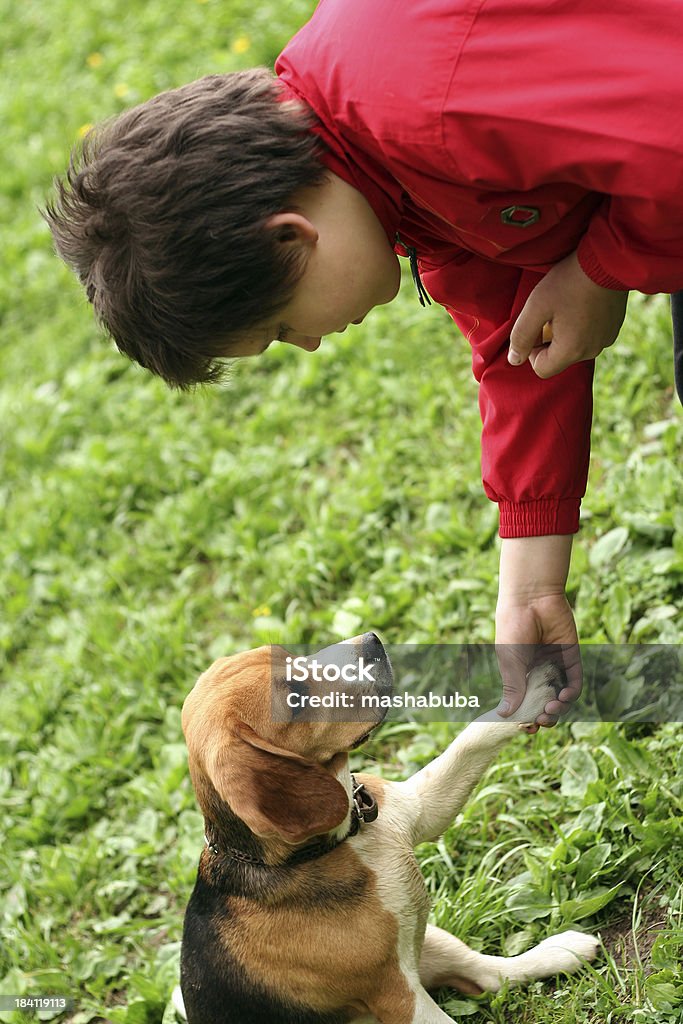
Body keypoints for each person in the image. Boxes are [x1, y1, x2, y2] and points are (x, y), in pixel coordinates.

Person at [44, 0, 683, 727]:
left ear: (290, 236)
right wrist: (531, 586)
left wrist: (600, 269)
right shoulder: (385, 171)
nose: (311, 344)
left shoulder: (432, 107)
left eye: (283, 328)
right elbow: (518, 335)